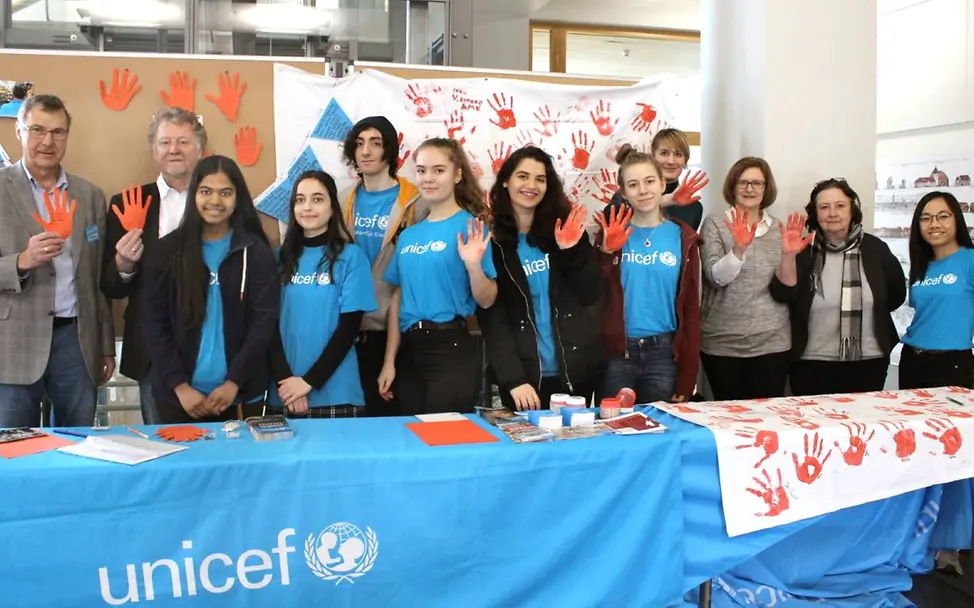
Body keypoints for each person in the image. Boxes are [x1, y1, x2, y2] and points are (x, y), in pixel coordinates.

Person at [0, 94, 115, 427]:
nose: (47, 141)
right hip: (14, 341)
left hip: (76, 342)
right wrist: (22, 261)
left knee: (76, 442)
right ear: (19, 131)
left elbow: (97, 278)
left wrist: (105, 345)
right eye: (37, 130)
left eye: (57, 132)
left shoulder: (90, 196)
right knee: (15, 447)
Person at [142, 156, 279, 423]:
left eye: (225, 193)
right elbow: (154, 325)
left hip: (240, 395)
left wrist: (234, 382)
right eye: (206, 191)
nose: (215, 201)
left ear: (237, 198)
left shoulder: (256, 253)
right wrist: (180, 386)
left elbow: (262, 325)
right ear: (194, 194)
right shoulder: (167, 252)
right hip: (178, 398)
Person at [477, 146, 604, 411]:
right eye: (523, 176)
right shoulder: (492, 241)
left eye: (540, 179)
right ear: (506, 181)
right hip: (525, 381)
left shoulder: (565, 229)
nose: (531, 185)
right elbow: (493, 318)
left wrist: (570, 251)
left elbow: (590, 294)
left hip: (576, 373)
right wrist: (513, 379)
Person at [101, 107, 207, 424]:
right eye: (165, 142)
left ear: (200, 149)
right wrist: (123, 264)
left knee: (216, 443)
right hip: (151, 350)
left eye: (183, 142)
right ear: (154, 150)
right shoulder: (127, 203)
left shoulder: (218, 201)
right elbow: (110, 286)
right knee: (162, 442)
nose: (174, 149)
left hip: (210, 344)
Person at [380, 138, 497, 415]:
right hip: (410, 351)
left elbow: (487, 300)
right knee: (411, 434)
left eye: (439, 170)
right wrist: (389, 361)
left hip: (451, 349)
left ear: (457, 175)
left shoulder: (471, 227)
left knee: (444, 434)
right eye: (421, 171)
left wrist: (473, 266)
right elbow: (398, 297)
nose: (428, 178)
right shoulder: (409, 235)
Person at [771, 178, 905, 395]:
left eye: (840, 205)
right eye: (824, 207)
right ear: (815, 213)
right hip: (811, 362)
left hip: (869, 360)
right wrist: (788, 256)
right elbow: (782, 294)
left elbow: (896, 295)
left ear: (852, 210)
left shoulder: (876, 249)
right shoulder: (804, 249)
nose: (832, 213)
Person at [595, 144, 701, 404]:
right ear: (623, 192)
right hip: (617, 353)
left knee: (659, 426)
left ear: (663, 184)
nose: (643, 190)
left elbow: (690, 310)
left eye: (649, 181)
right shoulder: (611, 233)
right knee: (614, 426)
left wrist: (688, 374)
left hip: (664, 354)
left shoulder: (683, 237)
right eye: (633, 185)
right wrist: (606, 253)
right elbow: (591, 291)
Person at [699, 157, 811, 400]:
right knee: (727, 415)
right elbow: (716, 278)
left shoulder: (779, 228)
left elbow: (786, 289)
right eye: (743, 182)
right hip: (722, 342)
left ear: (766, 188)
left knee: (766, 415)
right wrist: (739, 248)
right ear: (732, 186)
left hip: (772, 342)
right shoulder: (715, 224)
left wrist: (789, 255)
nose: (750, 189)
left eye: (757, 183)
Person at [268, 170, 377, 418]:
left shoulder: (351, 257)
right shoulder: (278, 258)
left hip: (336, 392)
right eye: (300, 200)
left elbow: (349, 328)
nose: (307, 207)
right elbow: (266, 326)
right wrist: (287, 381)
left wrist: (308, 382)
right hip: (284, 392)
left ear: (332, 207)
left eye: (317, 199)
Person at [340, 116, 427, 417]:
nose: (365, 151)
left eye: (375, 143)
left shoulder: (416, 202)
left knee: (395, 419)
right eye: (359, 143)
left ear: (389, 150)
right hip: (351, 328)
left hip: (398, 330)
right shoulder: (344, 199)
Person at [899, 191, 974, 389]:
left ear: (957, 219)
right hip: (912, 359)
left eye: (943, 216)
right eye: (926, 218)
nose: (934, 224)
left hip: (952, 363)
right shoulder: (921, 265)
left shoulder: (970, 260)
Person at [602, 128, 709, 230]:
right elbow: (608, 219)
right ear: (653, 156)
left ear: (685, 161)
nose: (671, 161)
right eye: (664, 153)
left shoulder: (694, 208)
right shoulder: (630, 193)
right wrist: (666, 200)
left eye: (678, 154)